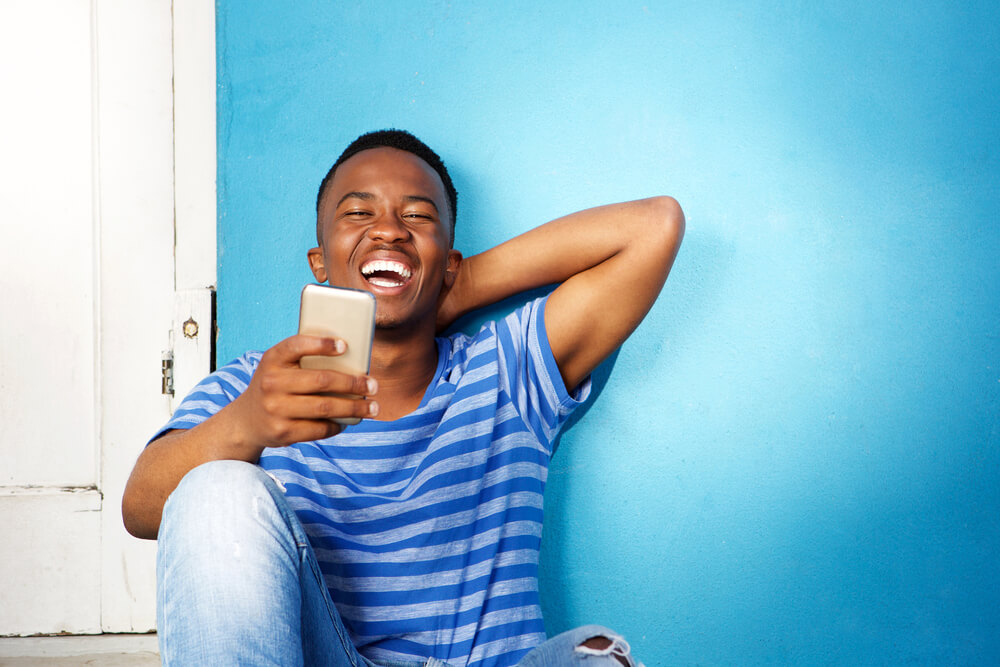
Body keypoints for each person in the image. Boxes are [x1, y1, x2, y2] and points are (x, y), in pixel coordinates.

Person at [122, 129, 684, 667]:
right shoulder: (258, 386)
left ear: (449, 260)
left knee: (592, 654)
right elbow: (143, 506)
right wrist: (248, 424)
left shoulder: (506, 370)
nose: (387, 230)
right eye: (358, 213)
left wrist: (456, 286)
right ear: (320, 263)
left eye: (416, 216)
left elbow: (654, 225)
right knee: (217, 484)